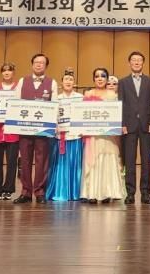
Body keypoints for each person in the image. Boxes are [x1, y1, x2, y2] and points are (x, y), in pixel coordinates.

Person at [13, 54, 57, 204]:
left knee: (41, 161)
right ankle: (25, 192)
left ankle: (40, 192)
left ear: (46, 66)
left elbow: (55, 105)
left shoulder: (52, 83)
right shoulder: (22, 81)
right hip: (25, 128)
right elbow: (15, 103)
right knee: (24, 160)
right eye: (36, 62)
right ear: (32, 64)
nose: (39, 65)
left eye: (42, 63)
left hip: (43, 130)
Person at [118, 51, 150, 204]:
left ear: (143, 63)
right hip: (129, 126)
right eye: (133, 60)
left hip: (146, 125)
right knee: (130, 161)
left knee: (146, 161)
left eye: (139, 60)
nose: (136, 62)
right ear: (129, 63)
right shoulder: (123, 82)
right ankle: (130, 193)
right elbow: (121, 104)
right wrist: (122, 124)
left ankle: (145, 193)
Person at [81, 68, 126, 204]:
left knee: (107, 159)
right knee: (93, 161)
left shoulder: (112, 95)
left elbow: (117, 115)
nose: (100, 78)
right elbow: (82, 114)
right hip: (93, 135)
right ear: (93, 79)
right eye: (97, 76)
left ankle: (107, 192)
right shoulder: (88, 94)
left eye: (103, 76)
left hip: (108, 136)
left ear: (107, 79)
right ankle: (92, 193)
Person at [47, 67, 84, 201]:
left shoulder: (81, 98)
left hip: (76, 136)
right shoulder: (56, 99)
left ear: (74, 83)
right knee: (61, 165)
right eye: (66, 79)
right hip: (60, 136)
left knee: (76, 165)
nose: (68, 82)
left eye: (71, 79)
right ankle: (60, 191)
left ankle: (76, 192)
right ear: (61, 82)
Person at [0, 63, 19, 200]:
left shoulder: (18, 89)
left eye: (9, 70)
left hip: (13, 132)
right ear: (1, 73)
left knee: (12, 162)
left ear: (13, 72)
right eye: (4, 70)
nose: (7, 73)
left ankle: (8, 189)